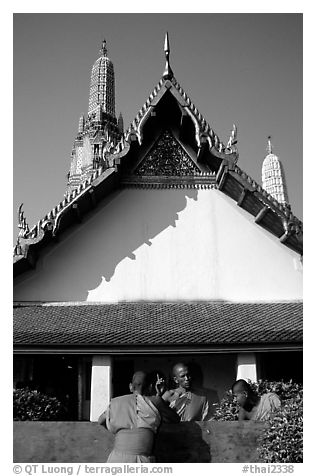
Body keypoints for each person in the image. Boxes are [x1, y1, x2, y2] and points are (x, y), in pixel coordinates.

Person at [98, 370, 179, 463]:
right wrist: (159, 397)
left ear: (130, 387)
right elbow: (175, 418)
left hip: (116, 459)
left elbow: (101, 420)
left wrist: (120, 429)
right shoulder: (155, 401)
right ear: (150, 387)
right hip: (141, 460)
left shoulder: (116, 402)